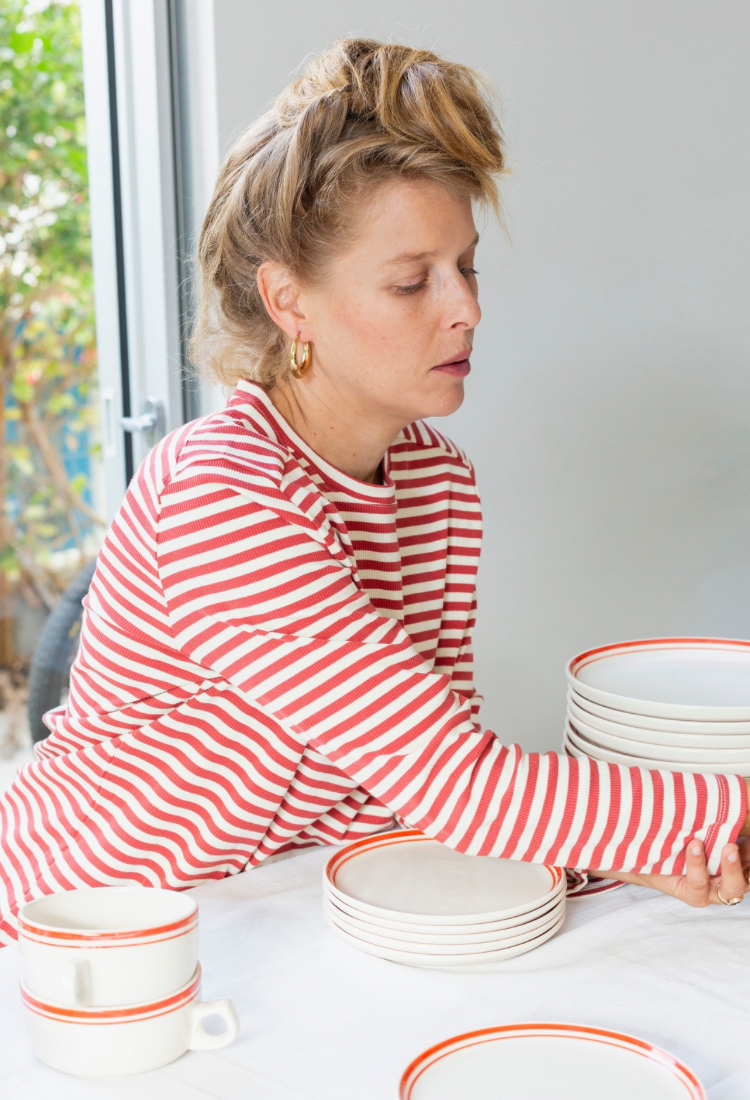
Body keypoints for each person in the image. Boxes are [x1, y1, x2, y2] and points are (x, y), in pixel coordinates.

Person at [1, 38, 748, 945]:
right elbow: (457, 783)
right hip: (76, 929)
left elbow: (407, 783)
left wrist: (632, 846)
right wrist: (714, 813)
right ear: (290, 303)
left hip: (264, 913)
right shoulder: (221, 494)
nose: (466, 308)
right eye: (410, 282)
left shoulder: (437, 483)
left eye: (467, 266)